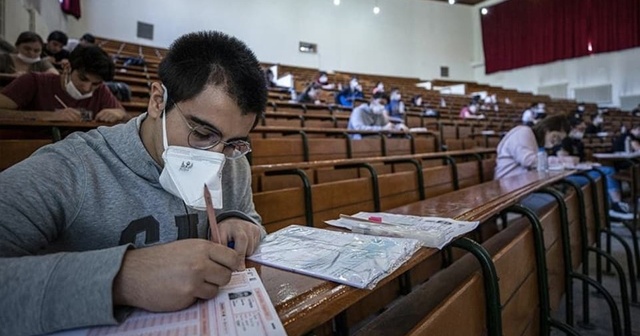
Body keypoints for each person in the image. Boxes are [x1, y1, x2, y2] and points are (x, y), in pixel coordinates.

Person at [0, 30, 267, 335]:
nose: (217, 158)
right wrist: (120, 278)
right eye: (203, 134)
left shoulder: (234, 165)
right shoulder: (73, 168)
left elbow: (253, 224)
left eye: (233, 143)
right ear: (157, 101)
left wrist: (240, 222)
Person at [0, 45, 126, 122]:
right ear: (67, 68)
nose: (87, 88)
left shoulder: (101, 90)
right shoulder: (34, 82)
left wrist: (118, 114)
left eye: (95, 83)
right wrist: (49, 116)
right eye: (82, 78)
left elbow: (125, 116)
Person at [554, 117, 632, 219]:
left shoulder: (579, 143)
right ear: (572, 128)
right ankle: (613, 207)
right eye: (580, 129)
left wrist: (587, 163)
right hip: (571, 173)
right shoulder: (565, 141)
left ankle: (615, 204)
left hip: (581, 170)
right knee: (602, 175)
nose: (582, 132)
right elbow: (563, 161)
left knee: (609, 170)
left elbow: (580, 160)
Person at [494, 114, 570, 179]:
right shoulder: (523, 132)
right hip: (509, 187)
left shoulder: (535, 141)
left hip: (524, 185)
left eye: (559, 141)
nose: (556, 141)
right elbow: (528, 160)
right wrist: (562, 161)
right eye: (556, 136)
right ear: (546, 129)